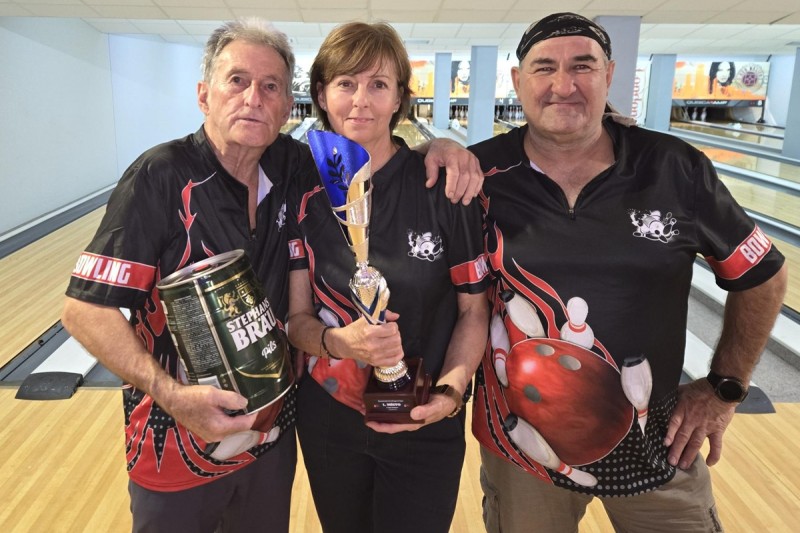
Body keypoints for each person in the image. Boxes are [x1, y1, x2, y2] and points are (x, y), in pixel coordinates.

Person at [61, 19, 483, 533]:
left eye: (271, 87)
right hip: (177, 441)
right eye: (237, 81)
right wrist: (170, 394)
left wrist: (440, 146)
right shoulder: (162, 175)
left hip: (270, 440)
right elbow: (83, 310)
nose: (253, 99)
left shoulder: (293, 168)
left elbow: (377, 159)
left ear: (288, 108)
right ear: (204, 94)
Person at [468, 12, 788, 533]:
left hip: (661, 444)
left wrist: (723, 388)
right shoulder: (475, 173)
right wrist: (430, 148)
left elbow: (764, 276)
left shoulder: (674, 167)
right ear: (518, 81)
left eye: (583, 66)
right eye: (545, 67)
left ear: (610, 75)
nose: (563, 85)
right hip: (524, 449)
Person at [285, 22, 490, 533]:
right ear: (321, 95)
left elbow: (474, 311)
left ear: (399, 97)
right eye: (346, 83)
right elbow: (297, 320)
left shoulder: (442, 188)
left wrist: (450, 394)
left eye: (378, 84)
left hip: (424, 416)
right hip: (329, 418)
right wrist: (338, 343)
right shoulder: (302, 191)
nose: (361, 100)